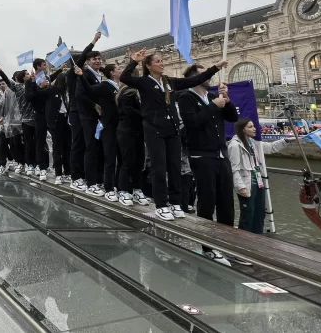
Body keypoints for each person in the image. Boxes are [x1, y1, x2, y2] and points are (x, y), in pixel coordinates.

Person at [120, 48, 226, 221]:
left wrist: (215, 68)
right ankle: (161, 205)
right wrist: (134, 61)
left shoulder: (169, 82)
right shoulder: (144, 82)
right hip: (154, 129)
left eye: (162, 61)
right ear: (148, 65)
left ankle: (175, 202)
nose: (162, 64)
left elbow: (194, 80)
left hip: (173, 129)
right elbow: (125, 78)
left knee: (175, 167)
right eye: (157, 61)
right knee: (159, 168)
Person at [178, 65, 239, 266]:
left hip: (221, 154)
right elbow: (192, 122)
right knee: (207, 200)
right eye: (205, 73)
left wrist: (226, 99)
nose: (209, 76)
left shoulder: (213, 95)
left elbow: (233, 117)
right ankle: (207, 247)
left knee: (226, 202)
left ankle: (227, 244)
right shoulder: (186, 97)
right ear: (195, 78)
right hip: (200, 155)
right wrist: (214, 106)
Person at [228, 118, 290, 234]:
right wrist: (241, 187)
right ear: (242, 129)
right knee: (248, 211)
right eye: (250, 127)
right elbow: (233, 169)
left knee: (260, 211)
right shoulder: (235, 146)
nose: (254, 129)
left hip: (258, 180)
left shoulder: (254, 142)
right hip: (247, 181)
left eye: (253, 126)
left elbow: (271, 148)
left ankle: (258, 236)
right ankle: (243, 239)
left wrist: (286, 141)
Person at [76, 63, 122, 202]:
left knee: (120, 157)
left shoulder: (121, 86)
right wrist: (81, 76)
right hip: (107, 125)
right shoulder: (104, 85)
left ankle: (118, 185)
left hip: (119, 125)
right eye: (119, 68)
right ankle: (107, 186)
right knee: (109, 156)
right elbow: (88, 91)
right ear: (113, 73)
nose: (122, 70)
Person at [65, 32, 102, 192]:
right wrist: (93, 41)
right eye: (94, 59)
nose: (98, 61)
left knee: (86, 145)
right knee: (78, 144)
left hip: (85, 112)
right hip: (76, 111)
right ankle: (76, 177)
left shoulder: (95, 74)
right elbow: (82, 57)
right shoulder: (73, 73)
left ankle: (84, 176)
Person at [0, 65, 36, 175]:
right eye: (26, 73)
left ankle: (34, 164)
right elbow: (8, 81)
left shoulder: (32, 85)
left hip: (34, 119)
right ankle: (22, 162)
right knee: (16, 143)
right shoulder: (16, 88)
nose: (28, 75)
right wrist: (0, 71)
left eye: (28, 73)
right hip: (19, 120)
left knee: (32, 143)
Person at [115, 76, 149, 206]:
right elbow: (128, 111)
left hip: (138, 131)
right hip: (126, 131)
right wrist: (145, 113)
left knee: (139, 162)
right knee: (127, 161)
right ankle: (123, 190)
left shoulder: (135, 92)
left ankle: (137, 189)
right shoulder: (126, 93)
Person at [75, 51, 105, 196]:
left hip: (98, 117)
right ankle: (90, 182)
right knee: (91, 148)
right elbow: (79, 95)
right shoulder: (85, 75)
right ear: (88, 61)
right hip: (88, 116)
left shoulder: (99, 75)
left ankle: (98, 180)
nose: (98, 61)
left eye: (99, 59)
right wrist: (95, 106)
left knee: (98, 148)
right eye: (95, 59)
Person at [26, 60, 53, 180]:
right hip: (39, 114)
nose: (46, 66)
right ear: (38, 67)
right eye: (44, 65)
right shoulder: (30, 81)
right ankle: (40, 166)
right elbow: (29, 97)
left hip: (51, 112)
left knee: (56, 141)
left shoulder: (47, 78)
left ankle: (57, 168)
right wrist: (39, 87)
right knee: (40, 141)